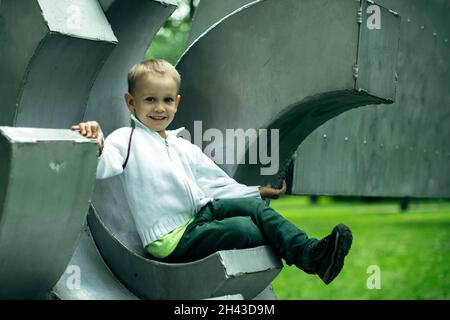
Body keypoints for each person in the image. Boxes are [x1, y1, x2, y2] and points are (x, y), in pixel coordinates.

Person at [71, 59, 352, 285]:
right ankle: (297, 250)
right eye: (150, 100)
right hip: (171, 239)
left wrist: (257, 191)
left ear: (177, 102)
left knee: (256, 209)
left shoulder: (181, 145)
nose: (159, 108)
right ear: (131, 102)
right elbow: (103, 165)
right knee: (245, 228)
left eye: (167, 100)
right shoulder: (125, 139)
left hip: (199, 216)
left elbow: (215, 183)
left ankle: (313, 255)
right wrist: (95, 142)